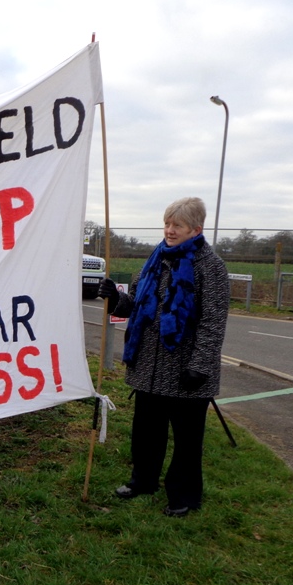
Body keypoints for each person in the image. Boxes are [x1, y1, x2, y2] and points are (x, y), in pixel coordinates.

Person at [98, 197, 229, 517]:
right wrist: (116, 298)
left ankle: (184, 495)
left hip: (186, 369)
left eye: (178, 226)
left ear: (196, 229)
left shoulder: (210, 267)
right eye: (167, 223)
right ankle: (142, 480)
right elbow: (137, 307)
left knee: (187, 439)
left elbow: (214, 321)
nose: (170, 230)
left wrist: (200, 365)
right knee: (146, 429)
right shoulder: (155, 258)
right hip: (148, 365)